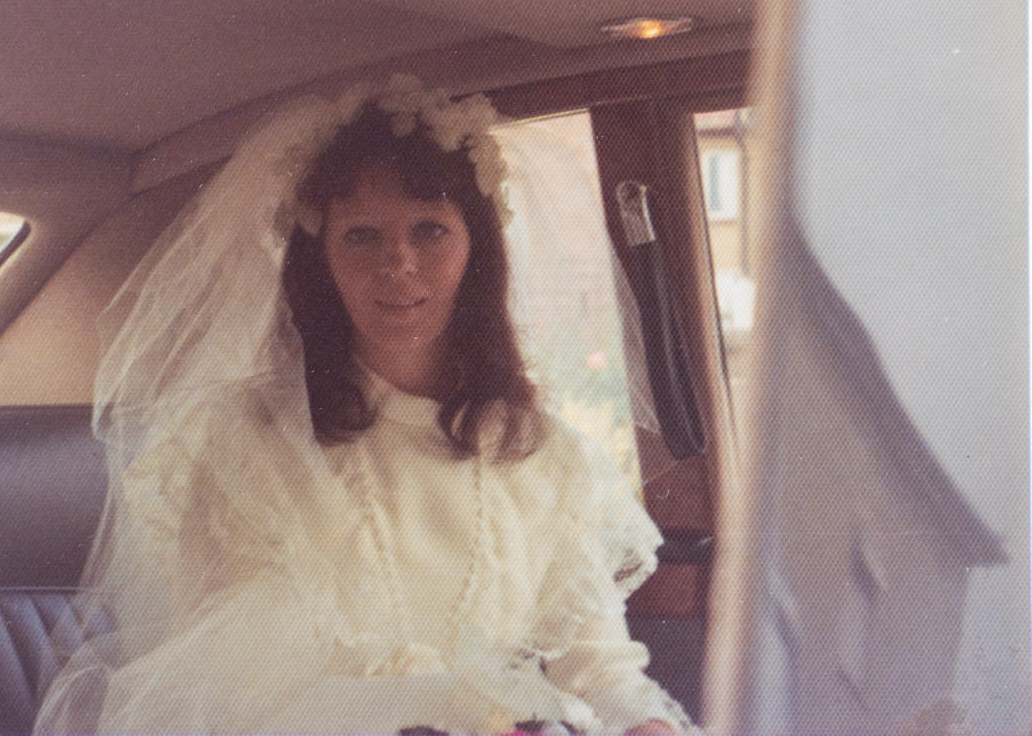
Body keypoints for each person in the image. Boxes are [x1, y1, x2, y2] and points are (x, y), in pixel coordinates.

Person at [36, 78, 695, 735]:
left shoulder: (547, 453)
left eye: (430, 230)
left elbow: (600, 671)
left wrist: (645, 727)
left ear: (476, 251)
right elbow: (235, 695)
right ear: (322, 258)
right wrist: (448, 709)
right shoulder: (255, 442)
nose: (397, 263)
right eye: (361, 235)